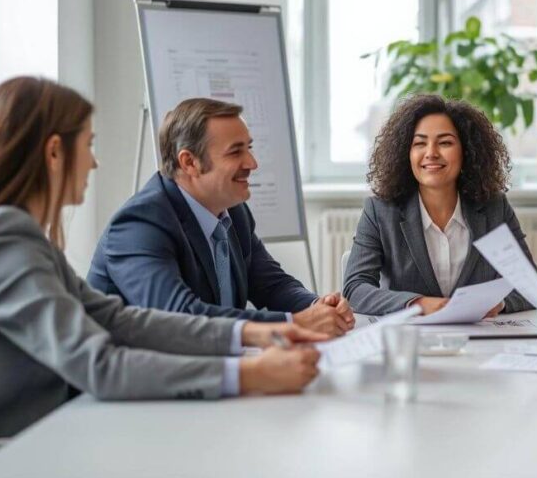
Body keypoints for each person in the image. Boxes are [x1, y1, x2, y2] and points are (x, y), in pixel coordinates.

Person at [0, 78, 324, 478]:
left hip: (34, 443)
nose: (93, 163)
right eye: (88, 145)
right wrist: (249, 373)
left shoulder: (20, 236)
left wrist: (255, 331)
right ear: (54, 152)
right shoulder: (1, 241)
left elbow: (118, 319)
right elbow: (100, 365)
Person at [88, 98, 354, 336]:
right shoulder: (140, 224)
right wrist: (294, 323)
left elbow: (271, 285)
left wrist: (316, 306)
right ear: (189, 162)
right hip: (131, 381)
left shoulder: (234, 211)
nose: (252, 163)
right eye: (235, 152)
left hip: (204, 364)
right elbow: (180, 316)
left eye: (249, 148)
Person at [344, 94, 537, 315]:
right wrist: (417, 304)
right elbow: (355, 288)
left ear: (467, 151)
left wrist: (497, 304)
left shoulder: (495, 208)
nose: (431, 153)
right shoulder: (379, 212)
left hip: (480, 342)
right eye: (420, 143)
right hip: (410, 341)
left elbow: (530, 286)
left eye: (445, 143)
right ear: (406, 153)